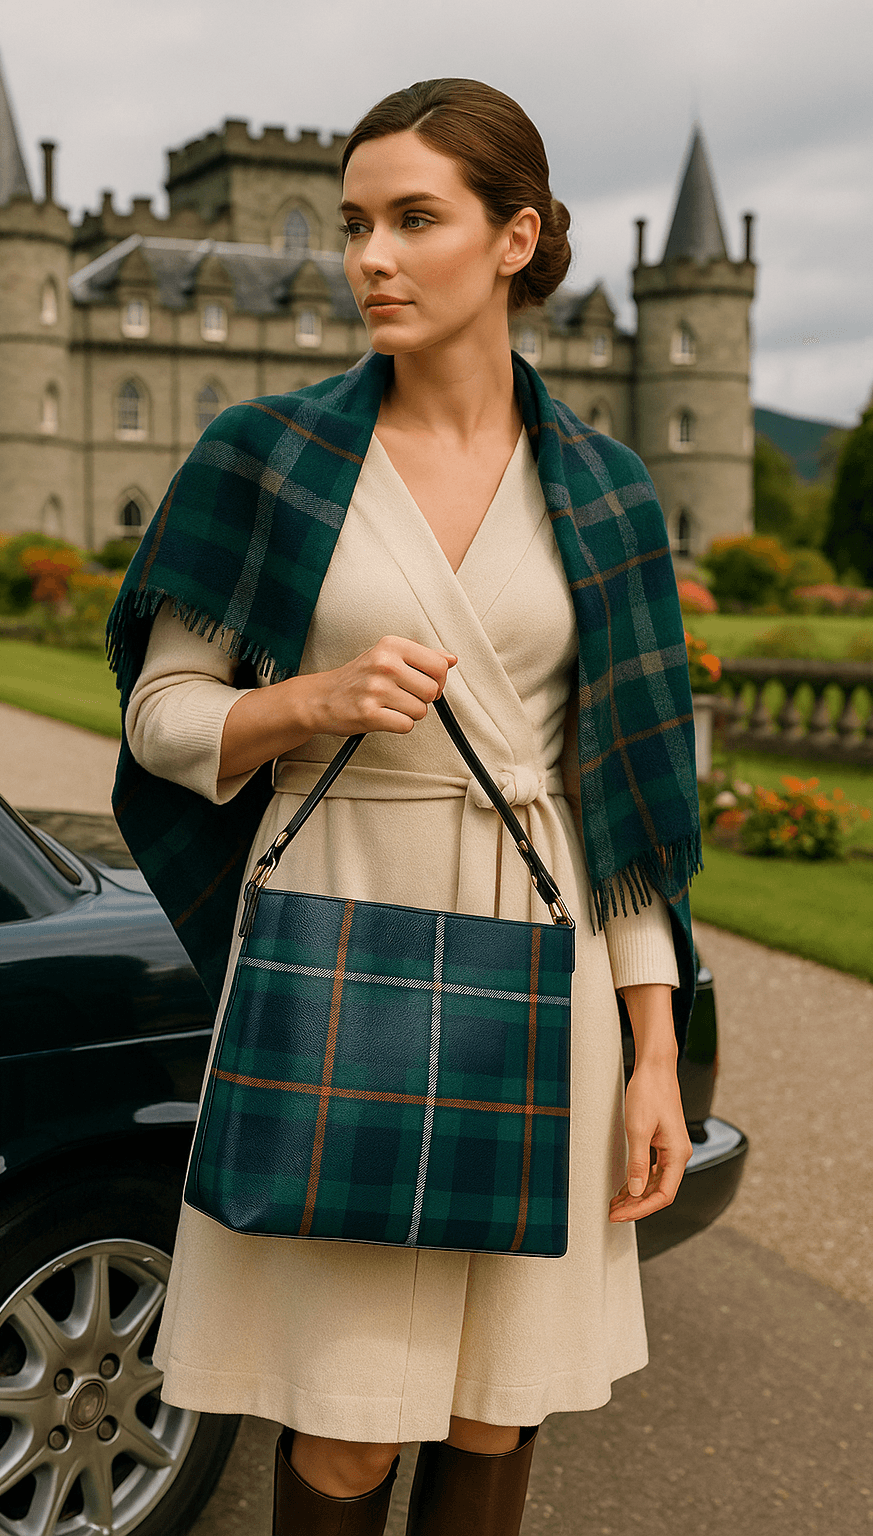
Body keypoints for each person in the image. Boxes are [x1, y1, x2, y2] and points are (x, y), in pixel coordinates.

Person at [107, 78, 701, 1536]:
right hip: (335, 939)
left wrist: (655, 1051)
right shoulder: (266, 454)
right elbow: (160, 717)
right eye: (358, 221)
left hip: (543, 949)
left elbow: (628, 797)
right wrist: (305, 702)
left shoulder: (611, 491)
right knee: (350, 1429)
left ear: (515, 239)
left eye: (414, 220)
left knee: (499, 1407)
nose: (368, 255)